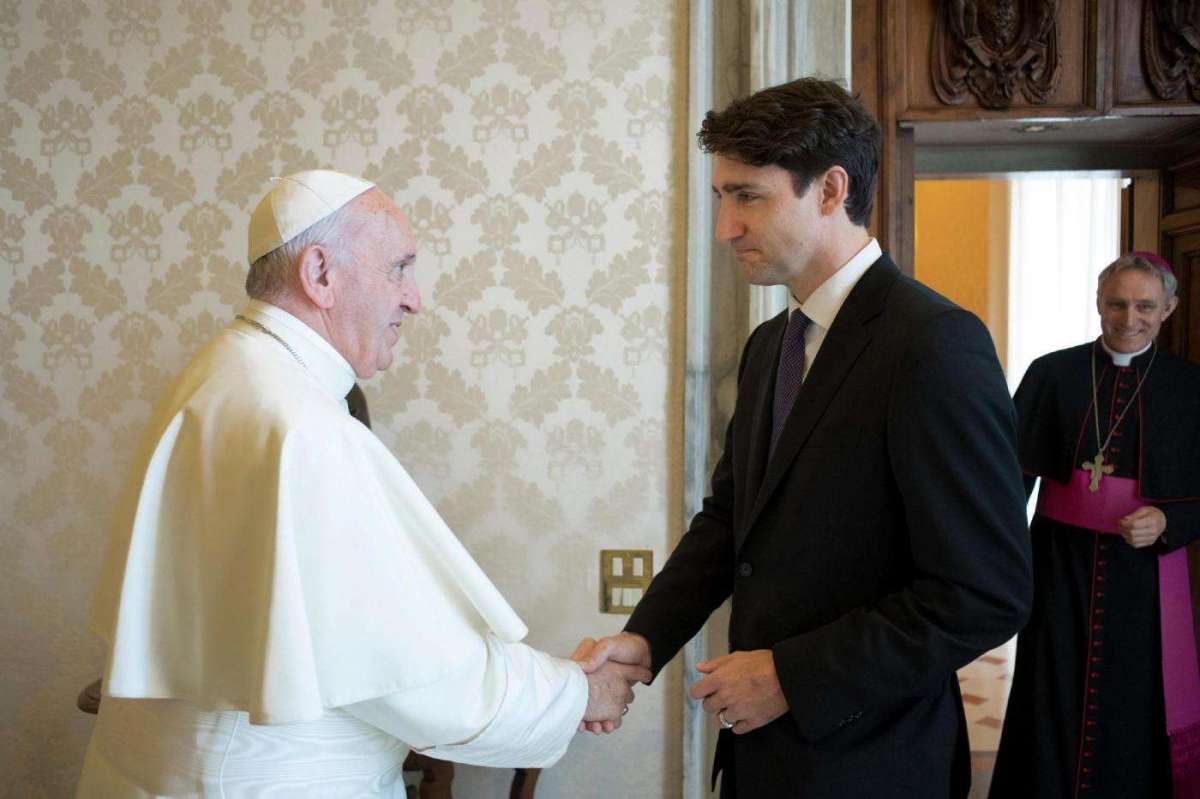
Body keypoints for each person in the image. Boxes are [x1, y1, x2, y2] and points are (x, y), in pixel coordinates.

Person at [77, 170, 647, 798]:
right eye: (398, 269)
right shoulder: (300, 423)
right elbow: (418, 677)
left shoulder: (224, 374)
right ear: (320, 273)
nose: (415, 299)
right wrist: (577, 691)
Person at [574, 77, 1033, 798]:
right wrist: (644, 639)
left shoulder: (934, 344)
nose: (725, 226)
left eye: (748, 197)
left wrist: (791, 676)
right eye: (721, 197)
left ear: (830, 190)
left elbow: (986, 591)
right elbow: (730, 522)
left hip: (876, 764)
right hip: (763, 759)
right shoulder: (769, 347)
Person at [990, 252, 1200, 799]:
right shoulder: (1052, 373)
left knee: (1132, 697)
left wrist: (1170, 520)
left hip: (1144, 577)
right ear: (1098, 302)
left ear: (1170, 308)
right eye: (1116, 303)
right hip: (1060, 565)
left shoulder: (1189, 387)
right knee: (1049, 688)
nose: (1129, 317)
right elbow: (1009, 477)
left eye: (1145, 305)